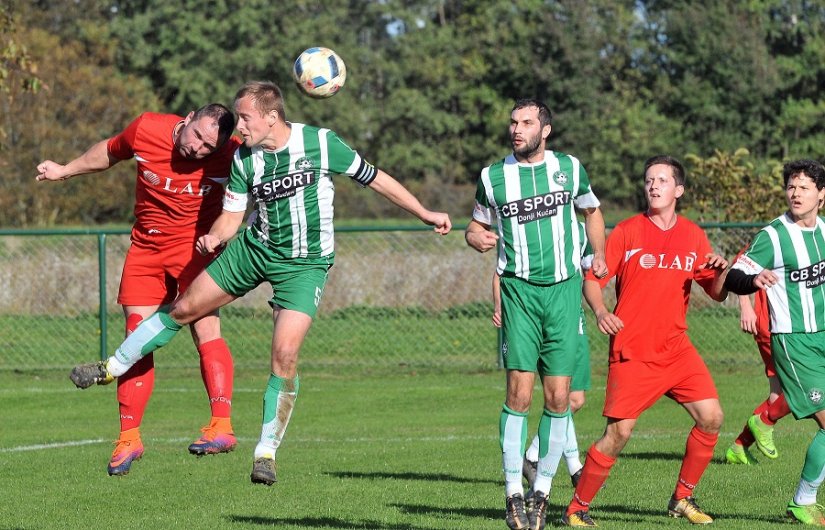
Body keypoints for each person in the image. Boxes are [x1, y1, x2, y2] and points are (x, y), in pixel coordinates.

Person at [68, 80, 451, 485]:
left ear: (271, 117)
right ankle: (111, 366)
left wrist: (423, 212)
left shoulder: (321, 143)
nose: (240, 128)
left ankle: (265, 452)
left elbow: (374, 178)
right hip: (253, 250)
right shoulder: (244, 159)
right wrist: (216, 236)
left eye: (245, 118)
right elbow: (233, 215)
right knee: (182, 309)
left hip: (304, 265)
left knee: (284, 356)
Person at [36, 104, 240, 475]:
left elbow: (257, 189)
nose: (198, 148)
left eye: (209, 146)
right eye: (197, 136)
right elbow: (110, 151)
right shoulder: (148, 128)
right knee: (137, 336)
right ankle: (129, 439)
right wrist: (65, 170)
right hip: (146, 248)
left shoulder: (234, 153)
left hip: (196, 250)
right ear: (190, 117)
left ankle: (221, 426)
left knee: (206, 329)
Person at [562, 155, 729, 527]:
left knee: (712, 417)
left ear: (679, 190)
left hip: (676, 350)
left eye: (662, 180)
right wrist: (602, 311)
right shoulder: (627, 231)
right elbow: (592, 279)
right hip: (633, 349)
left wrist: (723, 271)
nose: (653, 186)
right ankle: (576, 508)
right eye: (649, 180)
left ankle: (682, 499)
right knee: (618, 433)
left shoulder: (693, 235)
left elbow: (716, 292)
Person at [466, 98, 607, 530]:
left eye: (526, 122)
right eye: (513, 122)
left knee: (560, 398)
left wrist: (598, 253)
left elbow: (592, 211)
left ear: (545, 130)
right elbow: (476, 226)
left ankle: (541, 493)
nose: (517, 129)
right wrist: (476, 238)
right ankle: (512, 494)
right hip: (519, 293)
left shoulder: (569, 168)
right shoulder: (493, 177)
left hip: (564, 293)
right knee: (519, 395)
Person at [724, 159, 825, 526]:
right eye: (791, 187)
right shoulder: (775, 235)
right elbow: (734, 276)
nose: (796, 193)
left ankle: (763, 424)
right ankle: (803, 501)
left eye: (804, 187)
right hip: (794, 343)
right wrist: (752, 282)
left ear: (821, 196)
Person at [492, 222, 593, 502]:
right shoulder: (526, 223)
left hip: (569, 318)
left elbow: (597, 270)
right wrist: (499, 305)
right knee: (524, 394)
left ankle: (535, 456)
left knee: (570, 398)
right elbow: (500, 271)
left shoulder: (584, 230)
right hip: (529, 314)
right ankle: (570, 470)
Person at [725, 252, 791, 465]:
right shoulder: (774, 235)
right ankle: (763, 423)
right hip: (772, 326)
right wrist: (745, 306)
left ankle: (740, 446)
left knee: (779, 395)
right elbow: (740, 264)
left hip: (796, 328)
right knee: (801, 389)